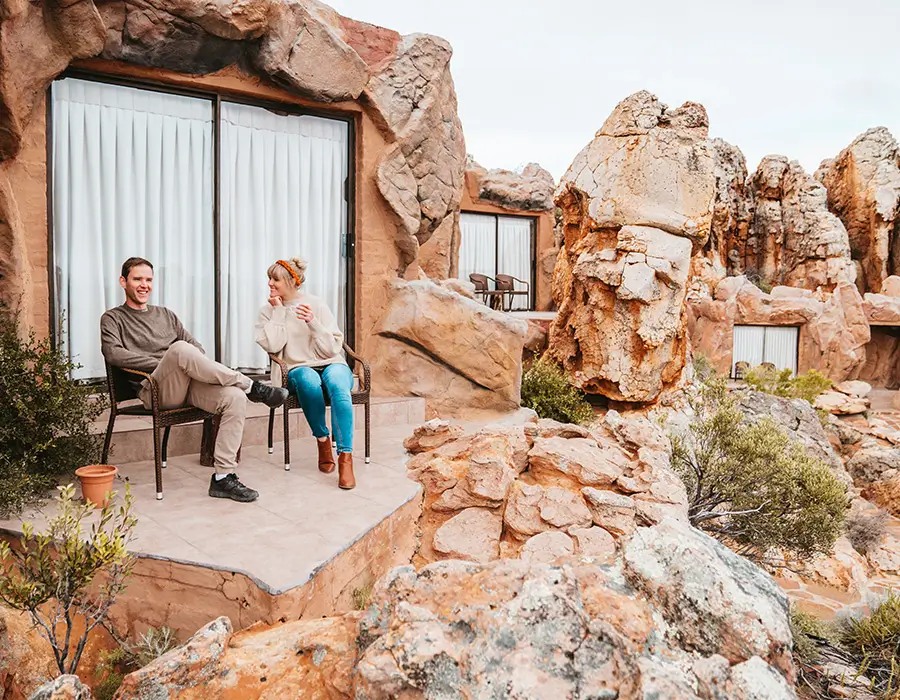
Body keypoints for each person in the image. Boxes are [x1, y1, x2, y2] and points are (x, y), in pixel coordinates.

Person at [100, 257, 289, 503]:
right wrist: (166, 362)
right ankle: (252, 385)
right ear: (123, 281)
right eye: (137, 279)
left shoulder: (166, 315)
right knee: (178, 350)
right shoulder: (113, 318)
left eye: (148, 280)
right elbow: (113, 353)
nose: (144, 285)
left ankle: (223, 477)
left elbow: (195, 347)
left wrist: (183, 363)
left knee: (233, 398)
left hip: (185, 385)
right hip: (154, 389)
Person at [254, 257, 356, 490]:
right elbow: (272, 346)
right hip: (297, 367)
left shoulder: (316, 304)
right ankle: (322, 439)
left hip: (330, 362)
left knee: (340, 386)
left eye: (275, 279)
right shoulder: (267, 311)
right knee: (309, 382)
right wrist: (279, 312)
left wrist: (314, 323)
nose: (270, 283)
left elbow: (332, 348)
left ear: (291, 281)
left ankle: (345, 458)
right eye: (269, 278)